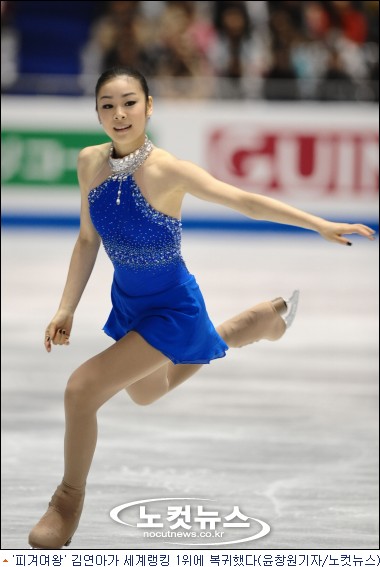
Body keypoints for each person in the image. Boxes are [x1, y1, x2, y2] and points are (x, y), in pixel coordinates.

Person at [28, 66, 375, 549]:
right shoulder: (90, 163)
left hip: (171, 308)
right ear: (97, 113)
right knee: (147, 393)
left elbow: (245, 201)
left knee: (80, 390)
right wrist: (66, 308)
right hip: (128, 304)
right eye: (107, 105)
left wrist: (317, 223)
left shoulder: (167, 169)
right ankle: (241, 328)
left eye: (129, 102)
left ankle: (66, 502)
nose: (119, 113)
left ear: (149, 106)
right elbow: (87, 240)